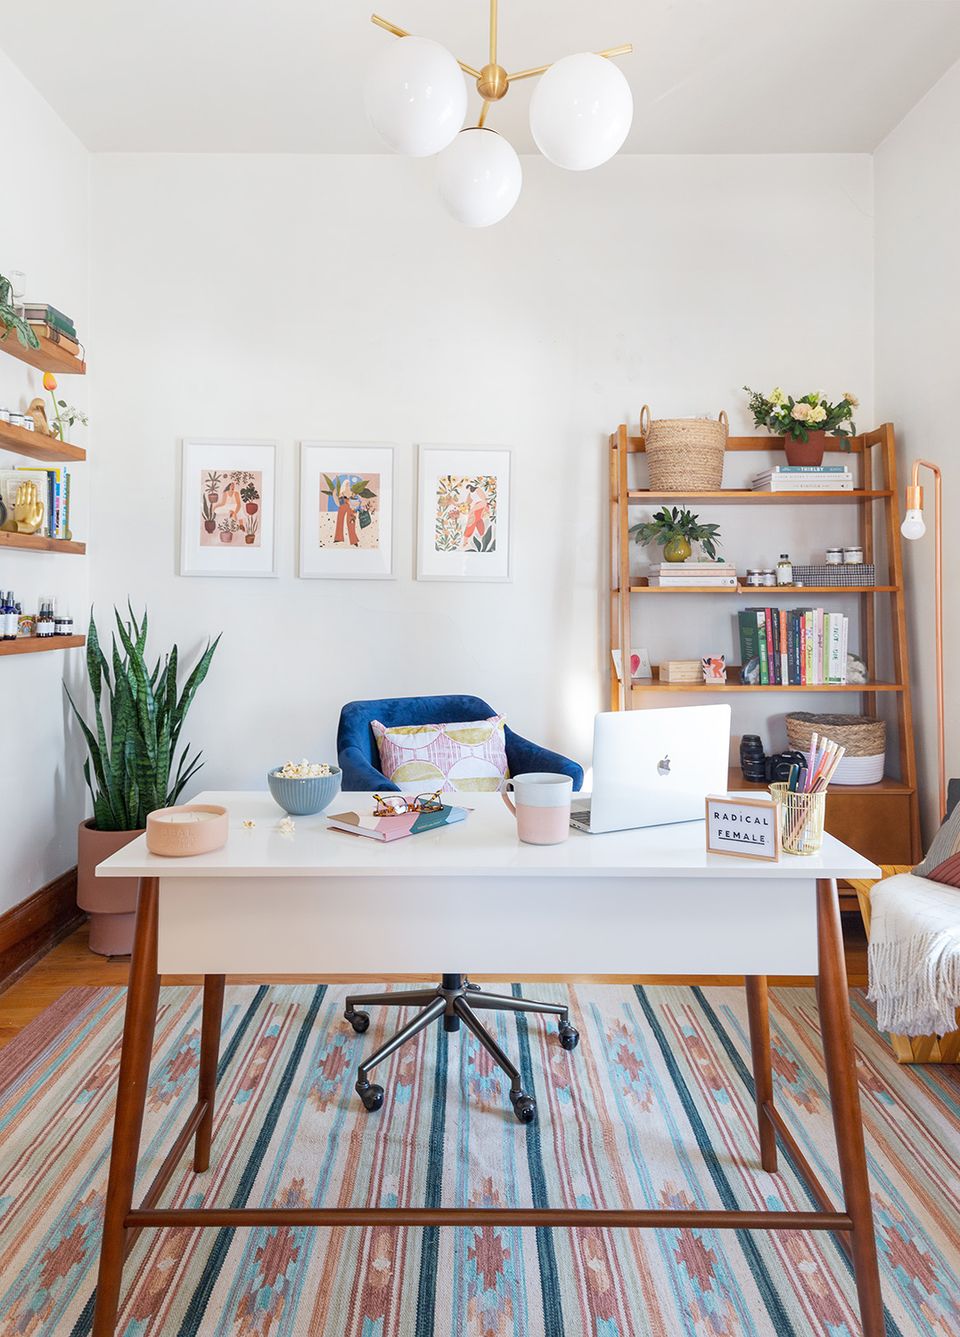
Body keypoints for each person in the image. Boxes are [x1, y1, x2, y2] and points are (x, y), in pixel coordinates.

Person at [334, 480, 359, 546]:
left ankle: (354, 540)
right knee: (340, 520)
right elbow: (340, 498)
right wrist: (344, 499)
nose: (348, 485)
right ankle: (338, 538)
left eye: (349, 484)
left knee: (351, 521)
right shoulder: (342, 491)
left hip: (350, 504)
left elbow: (353, 497)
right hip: (343, 504)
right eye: (347, 484)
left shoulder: (350, 491)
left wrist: (352, 497)